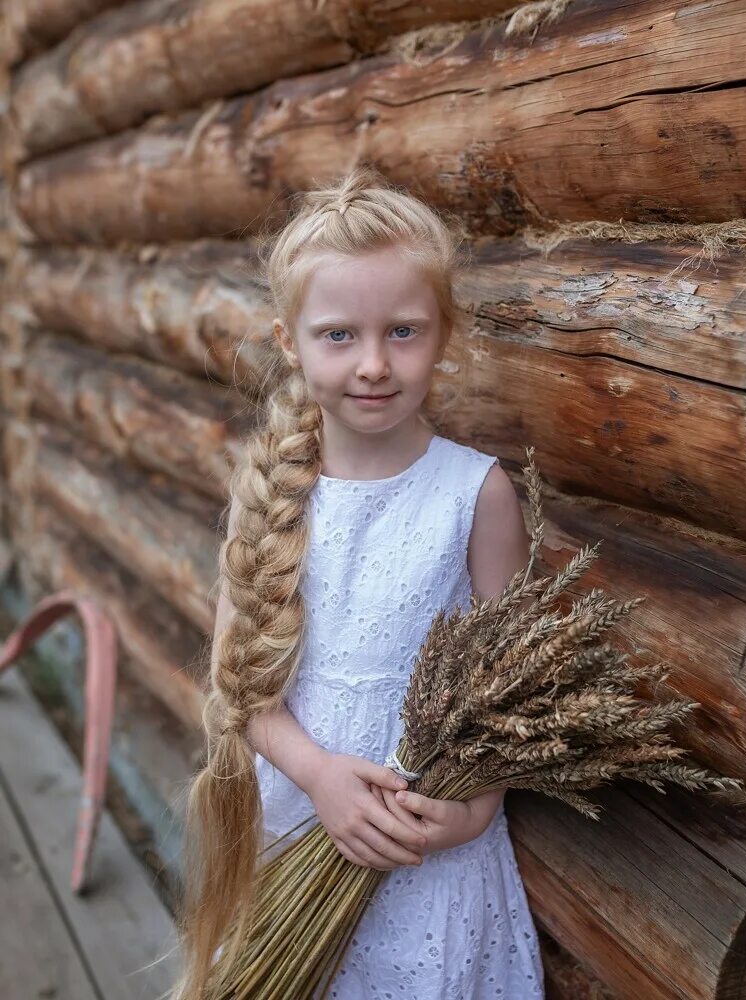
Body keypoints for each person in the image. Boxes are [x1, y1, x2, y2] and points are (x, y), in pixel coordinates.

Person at [174, 164, 546, 999]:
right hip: (302, 826)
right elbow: (243, 689)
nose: (374, 363)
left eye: (404, 332)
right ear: (289, 343)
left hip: (432, 859)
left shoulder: (475, 496)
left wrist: (474, 809)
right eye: (339, 335)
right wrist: (317, 775)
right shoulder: (272, 497)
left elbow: (509, 691)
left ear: (443, 334)